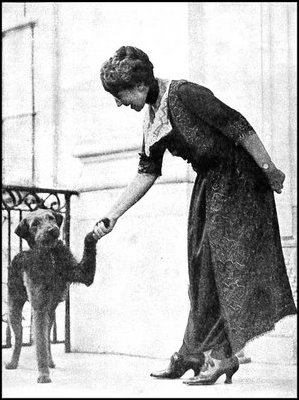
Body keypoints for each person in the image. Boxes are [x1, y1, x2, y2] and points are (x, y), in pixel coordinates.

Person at [93, 46, 297, 385]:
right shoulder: (152, 115)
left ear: (140, 84)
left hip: (239, 179)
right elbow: (147, 172)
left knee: (217, 267)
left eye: (120, 94)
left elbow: (239, 127)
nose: (119, 103)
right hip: (210, 183)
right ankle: (192, 353)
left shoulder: (186, 94)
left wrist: (270, 169)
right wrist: (112, 215)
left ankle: (220, 357)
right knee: (200, 264)